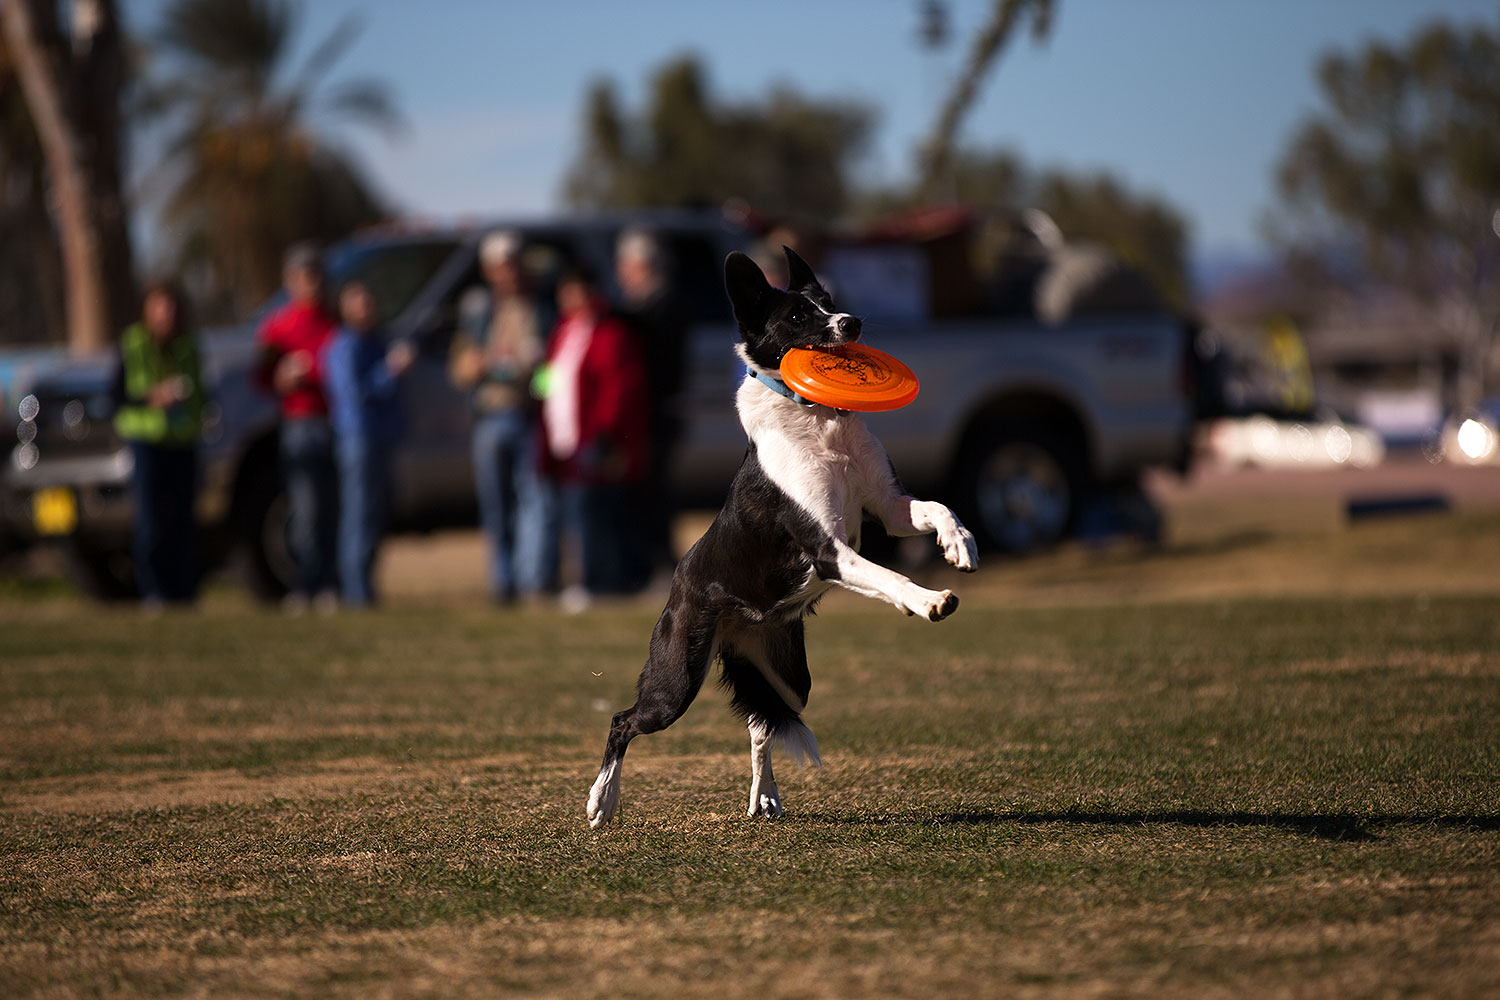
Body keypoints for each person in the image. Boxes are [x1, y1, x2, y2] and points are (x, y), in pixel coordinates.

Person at [537, 264, 651, 606]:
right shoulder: (562, 332)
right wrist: (537, 390)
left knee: (594, 512)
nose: (571, 299)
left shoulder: (610, 333)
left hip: (596, 438)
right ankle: (591, 578)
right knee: (575, 513)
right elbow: (550, 377)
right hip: (563, 438)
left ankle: (599, 581)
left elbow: (618, 387)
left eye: (577, 291)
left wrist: (606, 431)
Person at [449, 230, 552, 603]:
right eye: (500, 265)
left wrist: (541, 383)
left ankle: (532, 581)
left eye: (513, 263)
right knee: (497, 505)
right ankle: (502, 582)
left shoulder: (541, 307)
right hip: (489, 417)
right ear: (489, 270)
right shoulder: (476, 309)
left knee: (534, 501)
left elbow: (551, 371)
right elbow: (458, 366)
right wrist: (472, 366)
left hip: (526, 414)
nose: (508, 272)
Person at [254, 243, 339, 613]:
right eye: (304, 276)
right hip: (298, 424)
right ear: (290, 282)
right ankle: (305, 584)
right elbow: (260, 377)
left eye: (316, 274)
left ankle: (333, 585)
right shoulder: (277, 327)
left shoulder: (335, 323)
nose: (311, 283)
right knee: (303, 510)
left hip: (334, 425)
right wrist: (282, 377)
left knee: (333, 509)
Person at [113, 280, 205, 608]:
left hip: (183, 442)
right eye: (160, 307)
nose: (167, 314)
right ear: (147, 310)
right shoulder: (134, 344)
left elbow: (201, 394)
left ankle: (184, 593)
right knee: (150, 524)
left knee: (183, 523)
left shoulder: (188, 346)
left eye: (172, 307)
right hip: (147, 443)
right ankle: (154, 593)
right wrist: (153, 397)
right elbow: (118, 397)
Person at [322, 281, 414, 607]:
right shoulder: (343, 346)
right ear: (346, 309)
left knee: (374, 514)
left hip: (382, 438)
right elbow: (354, 394)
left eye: (370, 302)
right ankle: (355, 589)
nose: (367, 309)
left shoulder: (378, 341)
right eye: (359, 304)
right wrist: (390, 371)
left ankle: (366, 586)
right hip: (357, 440)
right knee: (358, 513)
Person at [614, 228, 689, 578]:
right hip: (646, 410)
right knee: (642, 492)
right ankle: (644, 561)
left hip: (658, 410)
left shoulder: (661, 301)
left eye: (624, 264)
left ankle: (660, 565)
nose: (620, 272)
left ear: (640, 265)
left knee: (653, 490)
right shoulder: (640, 301)